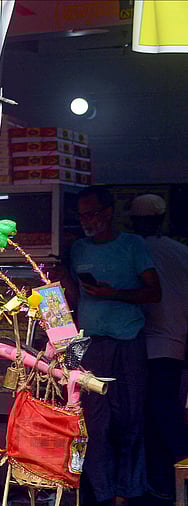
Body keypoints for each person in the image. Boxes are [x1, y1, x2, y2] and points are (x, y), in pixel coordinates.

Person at [69, 187, 161, 506]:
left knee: (130, 417)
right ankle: (102, 492)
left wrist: (115, 294)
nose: (86, 221)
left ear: (108, 213)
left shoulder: (133, 245)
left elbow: (154, 293)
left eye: (91, 213)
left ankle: (127, 491)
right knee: (95, 421)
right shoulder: (77, 249)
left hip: (128, 342)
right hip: (91, 344)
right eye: (81, 215)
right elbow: (72, 294)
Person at [128, 193, 188, 500]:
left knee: (154, 417)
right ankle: (171, 483)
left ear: (132, 221)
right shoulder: (182, 252)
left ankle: (164, 483)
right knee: (167, 412)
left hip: (142, 345)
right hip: (175, 345)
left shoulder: (131, 249)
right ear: (162, 219)